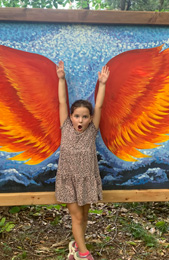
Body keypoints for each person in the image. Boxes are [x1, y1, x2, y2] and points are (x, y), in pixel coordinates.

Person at [55, 60, 110, 260]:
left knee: (84, 216)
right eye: (77, 116)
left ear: (90, 118)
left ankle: (77, 247)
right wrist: (61, 79)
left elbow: (100, 104)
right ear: (70, 117)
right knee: (77, 216)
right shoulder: (66, 127)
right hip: (69, 180)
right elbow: (62, 101)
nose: (80, 120)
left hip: (87, 178)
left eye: (85, 117)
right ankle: (85, 254)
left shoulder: (92, 130)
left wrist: (102, 83)